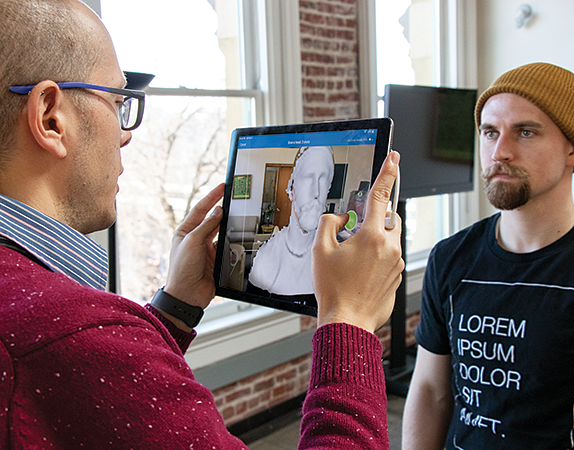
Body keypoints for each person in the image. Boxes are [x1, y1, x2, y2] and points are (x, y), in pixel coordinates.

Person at [0, 1, 405, 448]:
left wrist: (175, 308)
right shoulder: (73, 333)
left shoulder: (48, 324)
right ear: (50, 117)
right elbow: (95, 363)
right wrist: (349, 323)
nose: (126, 132)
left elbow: (100, 412)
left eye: (324, 181)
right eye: (119, 102)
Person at [401, 62, 574, 449]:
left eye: (525, 132)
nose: (500, 151)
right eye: (490, 132)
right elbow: (430, 390)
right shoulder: (450, 258)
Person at [248, 146, 334, 296]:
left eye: (323, 179)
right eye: (308, 178)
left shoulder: (333, 260)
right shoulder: (266, 258)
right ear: (291, 189)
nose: (316, 193)